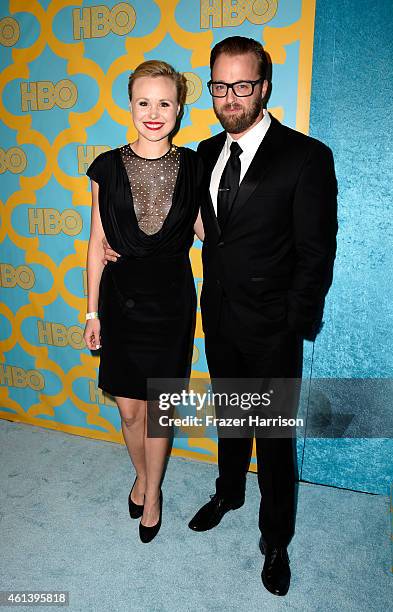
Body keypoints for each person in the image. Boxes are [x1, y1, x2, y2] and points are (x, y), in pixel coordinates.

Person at [103, 36, 338, 595]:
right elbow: (179, 222)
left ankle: (276, 537)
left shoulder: (306, 156)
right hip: (217, 315)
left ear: (264, 87)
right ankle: (228, 491)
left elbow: (316, 251)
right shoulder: (202, 154)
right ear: (209, 88)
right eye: (220, 85)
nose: (230, 96)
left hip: (274, 325)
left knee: (273, 435)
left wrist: (295, 321)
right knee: (232, 418)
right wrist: (120, 246)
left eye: (242, 84)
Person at [84, 60, 204, 544]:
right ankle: (140, 473)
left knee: (160, 410)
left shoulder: (196, 164)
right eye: (143, 102)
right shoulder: (106, 166)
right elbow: (96, 242)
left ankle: (152, 492)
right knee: (130, 411)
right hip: (120, 300)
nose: (153, 112)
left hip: (172, 301)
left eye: (164, 103)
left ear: (178, 109)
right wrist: (91, 311)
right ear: (130, 104)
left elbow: (203, 230)